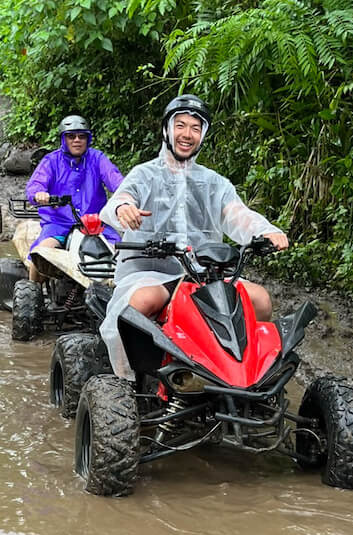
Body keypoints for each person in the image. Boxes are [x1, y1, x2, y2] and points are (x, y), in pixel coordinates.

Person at [98, 94, 288, 378]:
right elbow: (121, 199)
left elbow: (237, 214)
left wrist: (265, 230)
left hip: (204, 274)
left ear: (203, 135)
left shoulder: (215, 182)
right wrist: (124, 208)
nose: (187, 134)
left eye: (195, 128)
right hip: (152, 271)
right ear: (167, 130)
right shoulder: (144, 174)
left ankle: (247, 375)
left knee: (260, 299)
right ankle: (129, 383)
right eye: (181, 125)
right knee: (142, 303)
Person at [25, 115, 124, 268]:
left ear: (88, 139)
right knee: (41, 254)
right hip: (59, 223)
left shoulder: (97, 158)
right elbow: (36, 184)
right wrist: (39, 194)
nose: (77, 140)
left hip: (96, 224)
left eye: (81, 136)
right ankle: (32, 288)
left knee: (123, 254)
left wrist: (126, 195)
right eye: (71, 136)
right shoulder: (51, 161)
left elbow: (115, 179)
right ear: (63, 139)